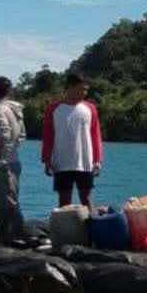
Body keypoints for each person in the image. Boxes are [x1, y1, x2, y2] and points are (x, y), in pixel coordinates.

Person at [41, 73, 103, 207]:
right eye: (82, 89)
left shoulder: (90, 109)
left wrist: (97, 160)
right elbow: (48, 135)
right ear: (70, 87)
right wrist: (46, 160)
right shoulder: (53, 109)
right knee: (64, 202)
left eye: (86, 89)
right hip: (62, 163)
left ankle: (91, 226)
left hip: (85, 163)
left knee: (86, 200)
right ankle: (65, 227)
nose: (85, 93)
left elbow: (95, 135)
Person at [0, 76, 26, 245]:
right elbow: (21, 135)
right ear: (9, 91)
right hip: (14, 160)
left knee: (3, 205)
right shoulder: (15, 110)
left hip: (3, 163)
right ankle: (17, 236)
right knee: (12, 201)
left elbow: (3, 135)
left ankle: (7, 240)